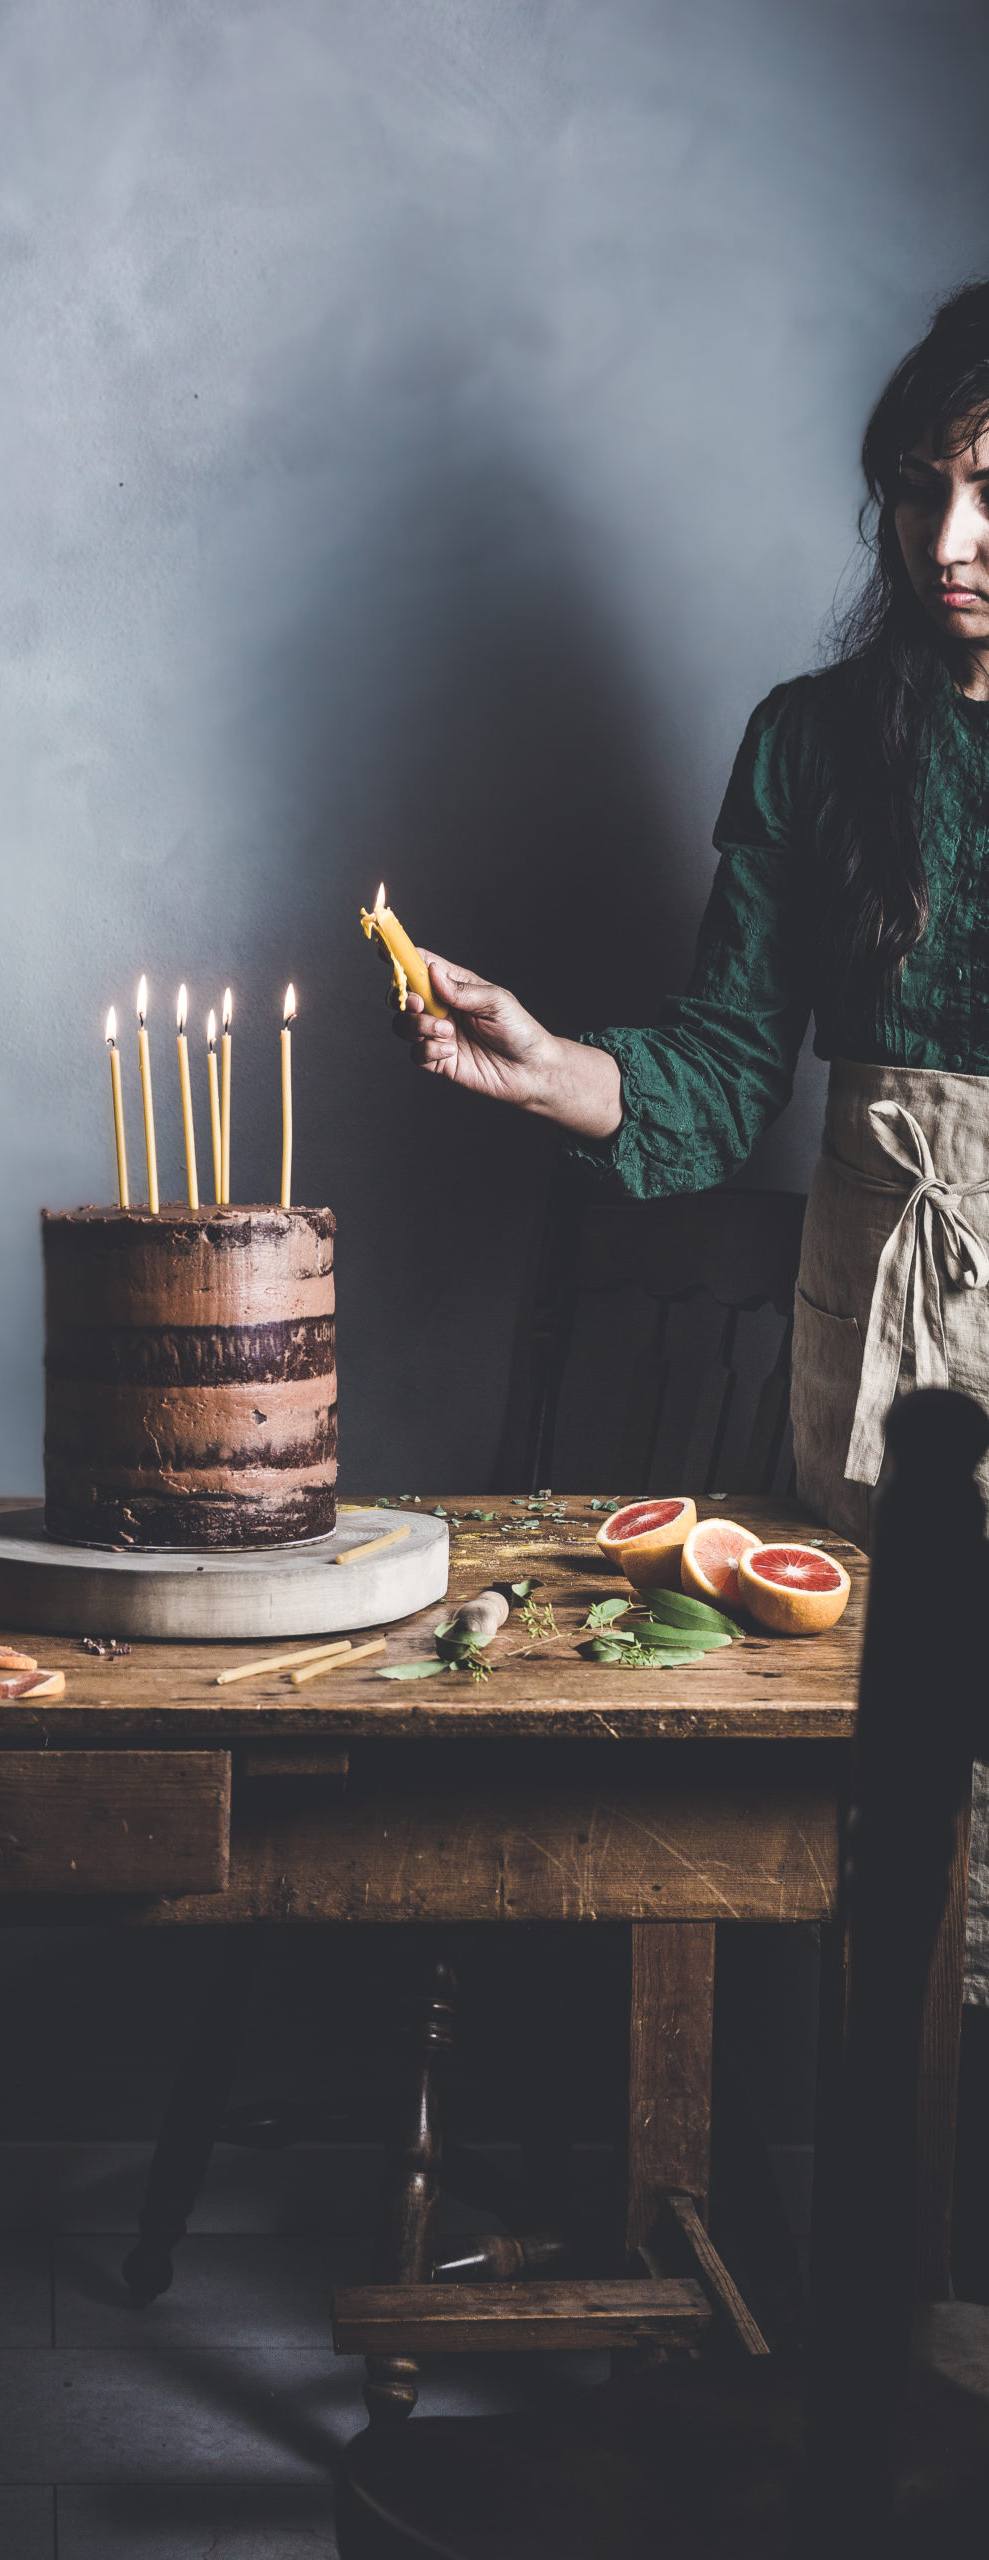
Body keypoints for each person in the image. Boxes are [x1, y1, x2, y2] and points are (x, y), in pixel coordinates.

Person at [392, 279, 989, 2297]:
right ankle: (868, 2321)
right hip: (886, 1317)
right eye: (924, 493)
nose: (949, 546)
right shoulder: (818, 746)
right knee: (895, 1818)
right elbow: (725, 1069)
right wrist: (542, 1059)